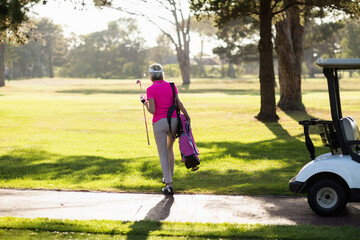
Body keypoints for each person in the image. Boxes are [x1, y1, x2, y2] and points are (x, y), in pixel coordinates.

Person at [140, 63, 191, 195]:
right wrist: (187, 115)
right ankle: (169, 176)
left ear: (151, 75)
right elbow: (179, 103)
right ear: (162, 74)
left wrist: (145, 102)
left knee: (163, 153)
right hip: (174, 122)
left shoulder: (150, 89)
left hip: (159, 123)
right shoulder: (172, 86)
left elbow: (152, 110)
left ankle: (168, 184)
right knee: (169, 149)